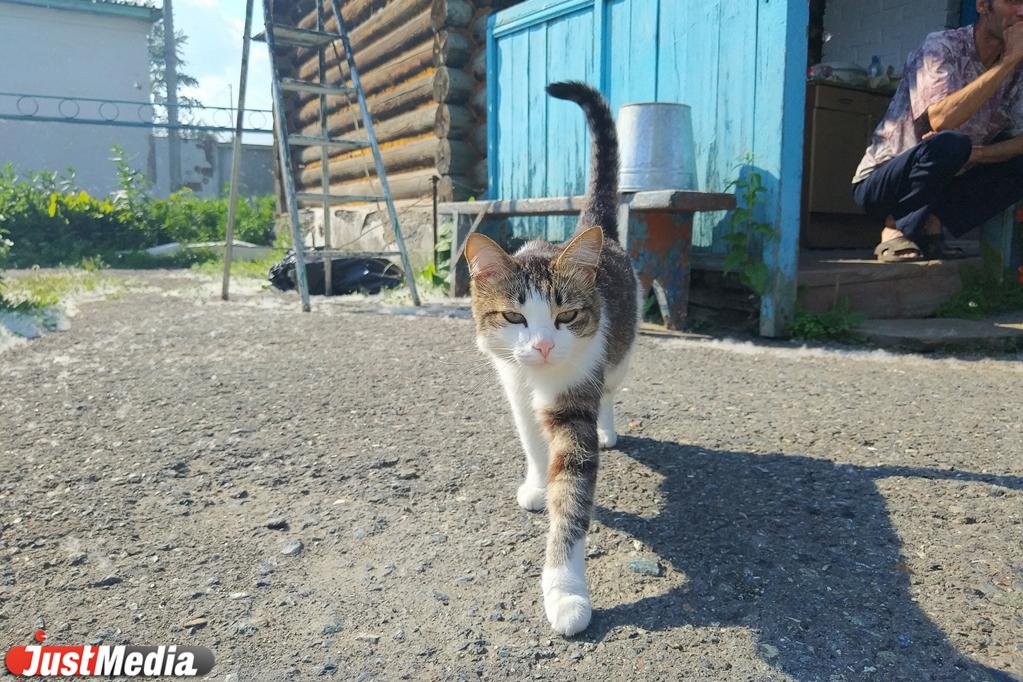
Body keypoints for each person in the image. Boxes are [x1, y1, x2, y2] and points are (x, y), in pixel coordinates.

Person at [852, 0, 1023, 262]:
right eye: (1012, 2)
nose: (1022, 12)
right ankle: (895, 227)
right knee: (951, 142)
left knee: (1008, 159)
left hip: (945, 181)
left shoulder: (1018, 69)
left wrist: (977, 155)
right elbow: (942, 120)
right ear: (982, 6)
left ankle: (931, 223)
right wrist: (1007, 62)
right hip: (884, 182)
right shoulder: (942, 46)